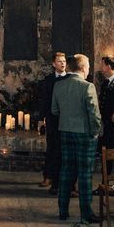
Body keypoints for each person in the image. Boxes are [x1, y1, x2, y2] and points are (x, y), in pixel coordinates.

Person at [52, 53, 102, 223]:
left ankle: (63, 210)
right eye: (88, 66)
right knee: (85, 174)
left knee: (66, 171)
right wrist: (96, 132)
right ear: (83, 68)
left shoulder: (59, 86)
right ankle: (86, 213)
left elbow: (55, 111)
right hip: (84, 133)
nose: (88, 70)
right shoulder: (87, 87)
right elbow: (94, 114)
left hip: (65, 131)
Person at [37, 51, 69, 193]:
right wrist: (41, 119)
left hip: (66, 119)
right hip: (51, 119)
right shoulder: (48, 80)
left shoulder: (69, 79)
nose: (63, 63)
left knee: (63, 150)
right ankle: (48, 176)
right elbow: (43, 101)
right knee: (51, 148)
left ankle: (61, 179)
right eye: (60, 61)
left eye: (64, 61)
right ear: (53, 64)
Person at [98, 56, 114, 169]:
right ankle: (104, 181)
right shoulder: (105, 83)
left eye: (102, 65)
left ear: (108, 66)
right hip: (106, 123)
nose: (101, 68)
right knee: (105, 153)